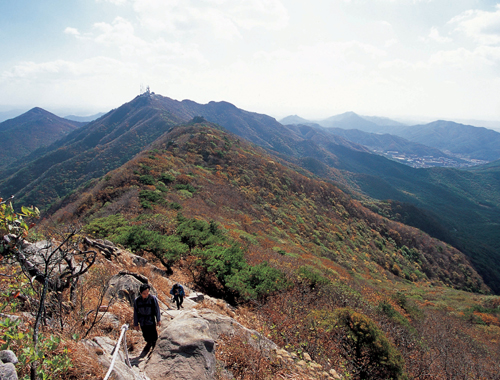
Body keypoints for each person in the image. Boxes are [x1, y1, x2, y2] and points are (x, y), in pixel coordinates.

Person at [133, 283, 161, 357]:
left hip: (151, 319)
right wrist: (136, 324)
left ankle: (154, 348)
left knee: (154, 335)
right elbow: (135, 312)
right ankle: (149, 343)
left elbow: (157, 310)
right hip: (142, 321)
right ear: (140, 293)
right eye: (144, 293)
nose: (146, 294)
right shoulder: (137, 301)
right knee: (145, 335)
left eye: (147, 292)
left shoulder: (152, 299)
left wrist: (158, 320)